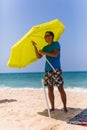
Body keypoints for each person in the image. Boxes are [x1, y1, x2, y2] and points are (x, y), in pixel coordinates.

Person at [32, 31, 67, 112]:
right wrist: (35, 47)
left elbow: (55, 54)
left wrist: (43, 52)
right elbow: (38, 57)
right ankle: (52, 107)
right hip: (47, 70)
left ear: (52, 36)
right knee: (50, 89)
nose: (47, 37)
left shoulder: (56, 44)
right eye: (46, 36)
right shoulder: (45, 48)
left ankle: (65, 106)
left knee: (60, 88)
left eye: (48, 35)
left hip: (56, 69)